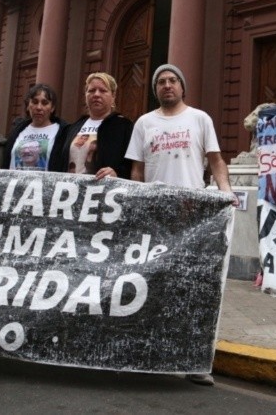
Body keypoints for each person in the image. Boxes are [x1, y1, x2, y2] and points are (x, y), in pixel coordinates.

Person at [124, 64, 235, 387]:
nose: (167, 85)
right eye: (161, 82)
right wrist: (139, 206)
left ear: (182, 87)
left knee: (194, 290)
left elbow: (215, 161)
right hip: (158, 219)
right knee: (152, 286)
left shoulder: (200, 119)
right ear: (155, 89)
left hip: (194, 218)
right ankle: (147, 354)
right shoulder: (145, 123)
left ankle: (194, 360)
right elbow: (137, 172)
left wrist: (226, 194)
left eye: (173, 81)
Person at [54, 72, 133, 179]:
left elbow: (132, 165)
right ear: (86, 95)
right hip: (70, 190)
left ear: (113, 95)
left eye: (103, 90)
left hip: (102, 191)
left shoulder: (123, 126)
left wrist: (117, 174)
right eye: (91, 90)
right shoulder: (73, 128)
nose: (96, 94)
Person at [5, 83, 67, 171]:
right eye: (34, 102)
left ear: (52, 108)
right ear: (28, 106)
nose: (39, 107)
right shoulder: (17, 131)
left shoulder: (63, 132)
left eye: (45, 103)